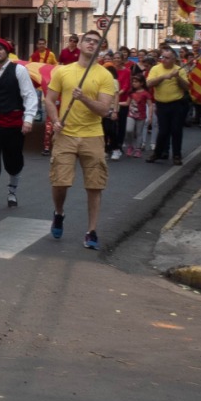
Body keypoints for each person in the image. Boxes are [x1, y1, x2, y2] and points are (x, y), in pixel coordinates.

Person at [45, 31, 119, 250]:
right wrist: (55, 121)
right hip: (66, 134)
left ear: (100, 48)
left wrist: (84, 98)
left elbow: (104, 110)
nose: (91, 44)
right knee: (60, 182)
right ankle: (59, 212)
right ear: (80, 44)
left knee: (94, 185)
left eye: (96, 42)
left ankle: (91, 231)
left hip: (93, 135)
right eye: (88, 40)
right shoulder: (63, 71)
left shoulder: (104, 76)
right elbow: (49, 99)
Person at [0, 38, 38, 211]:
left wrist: (28, 119)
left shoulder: (19, 70)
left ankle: (12, 192)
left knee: (13, 160)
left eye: (0, 49)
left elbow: (29, 95)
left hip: (13, 122)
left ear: (7, 52)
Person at [146, 46, 192, 164]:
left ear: (173, 59)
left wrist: (177, 77)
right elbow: (149, 83)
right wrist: (163, 77)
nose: (163, 59)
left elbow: (187, 87)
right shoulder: (156, 69)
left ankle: (177, 155)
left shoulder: (179, 70)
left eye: (167, 58)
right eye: (163, 57)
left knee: (176, 130)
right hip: (161, 104)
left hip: (176, 104)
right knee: (163, 131)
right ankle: (158, 153)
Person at [125, 74, 153, 157]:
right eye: (133, 81)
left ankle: (138, 149)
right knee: (129, 130)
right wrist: (116, 104)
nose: (134, 83)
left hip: (141, 116)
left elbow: (150, 105)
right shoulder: (131, 92)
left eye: (136, 82)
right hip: (131, 114)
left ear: (142, 83)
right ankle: (130, 146)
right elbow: (127, 103)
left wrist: (150, 116)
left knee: (139, 133)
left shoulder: (145, 93)